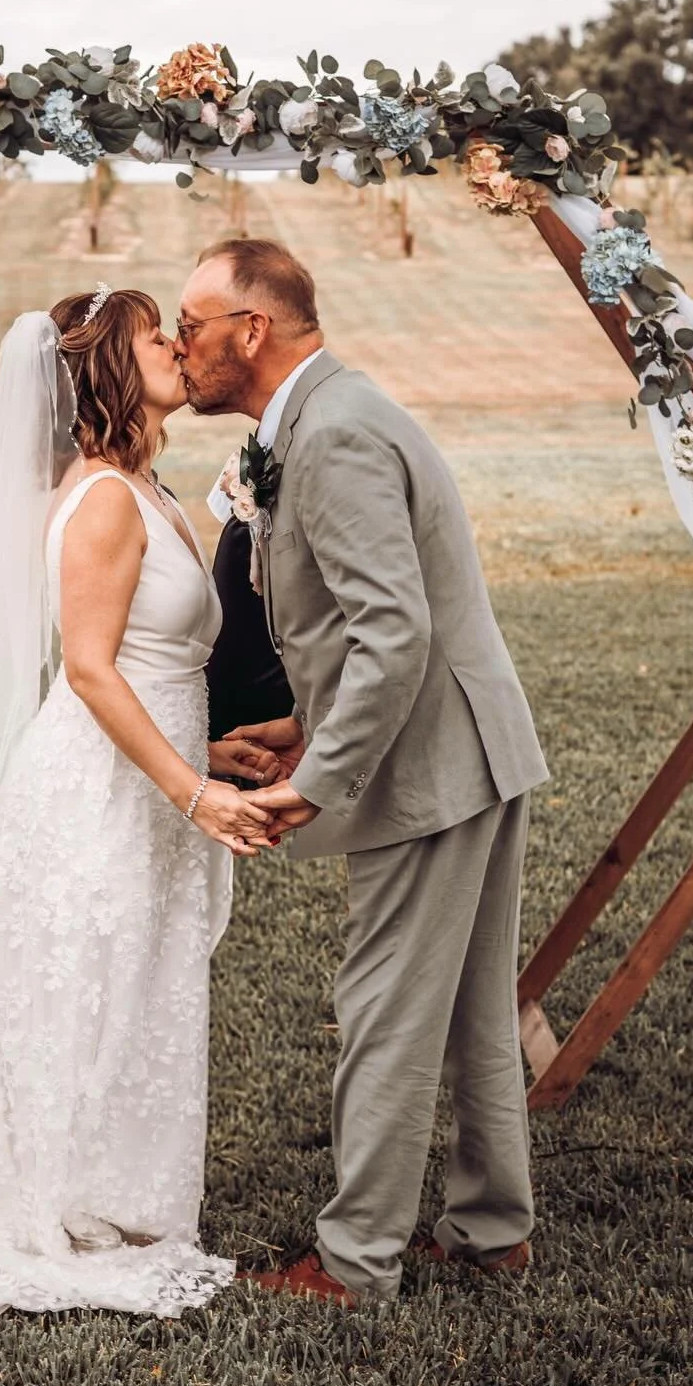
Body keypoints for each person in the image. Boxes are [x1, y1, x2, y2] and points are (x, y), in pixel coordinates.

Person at [0, 286, 280, 1318]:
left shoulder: (145, 489)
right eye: (154, 336)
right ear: (107, 370)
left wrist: (207, 748)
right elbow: (91, 671)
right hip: (96, 793)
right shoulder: (101, 500)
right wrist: (194, 791)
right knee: (87, 992)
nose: (177, 345)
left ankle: (107, 1189)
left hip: (142, 777)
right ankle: (49, 1199)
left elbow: (148, 663)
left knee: (130, 988)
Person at [177, 237, 550, 1308]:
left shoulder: (333, 432)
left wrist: (317, 779)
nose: (181, 345)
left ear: (252, 329)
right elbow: (368, 626)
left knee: (383, 1004)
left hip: (433, 764)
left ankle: (354, 1264)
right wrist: (307, 723)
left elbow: (393, 631)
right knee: (472, 1008)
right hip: (467, 747)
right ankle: (491, 1231)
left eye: (193, 325)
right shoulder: (322, 415)